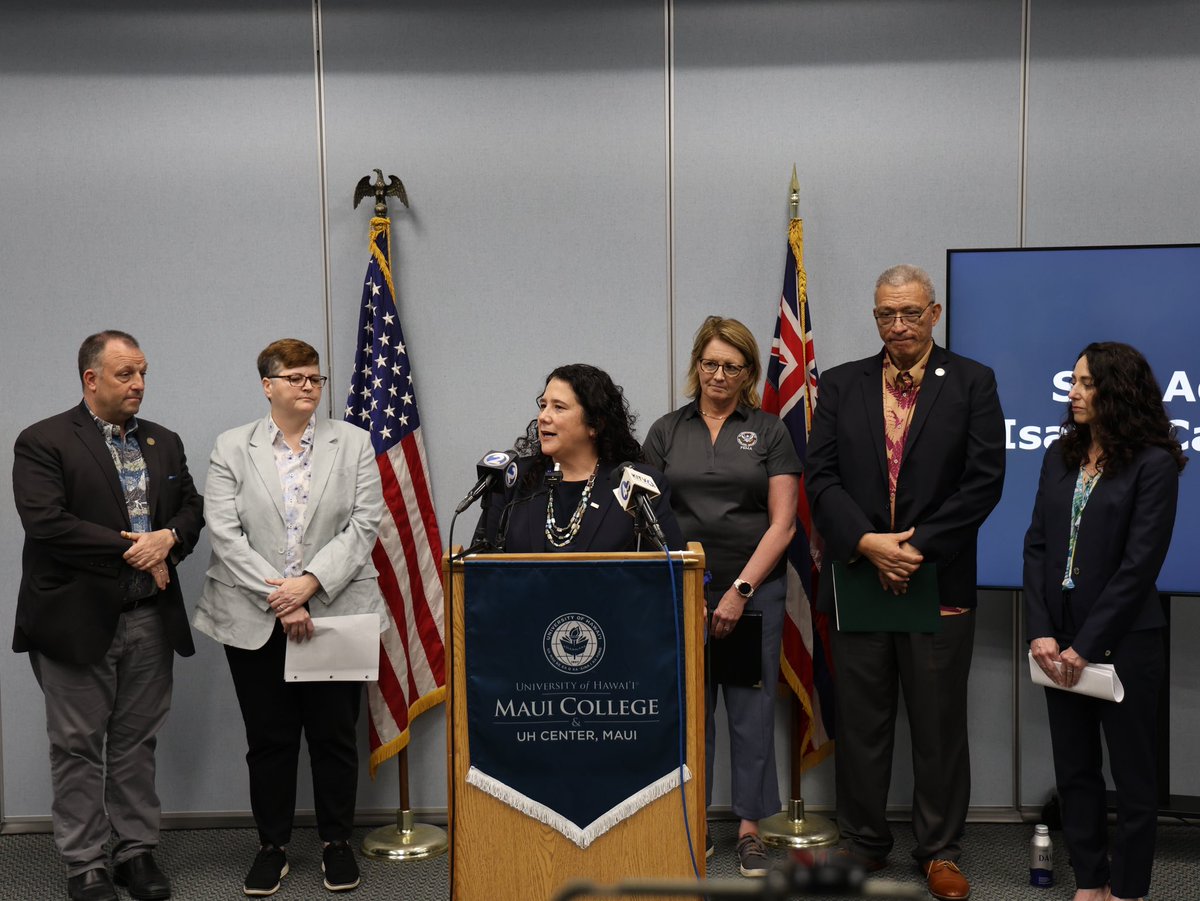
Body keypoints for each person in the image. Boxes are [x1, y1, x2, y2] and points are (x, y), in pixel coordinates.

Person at [805, 264, 1005, 901]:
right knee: (862, 722)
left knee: (939, 724)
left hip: (937, 578)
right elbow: (821, 477)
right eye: (887, 315)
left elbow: (984, 482)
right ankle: (864, 843)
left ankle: (940, 849)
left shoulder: (973, 382)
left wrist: (914, 549)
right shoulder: (839, 385)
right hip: (860, 574)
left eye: (911, 313)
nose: (899, 326)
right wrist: (866, 542)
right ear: (875, 318)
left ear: (934, 314)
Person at [12, 330, 204, 901]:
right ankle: (84, 863)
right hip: (75, 621)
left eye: (143, 372)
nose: (140, 384)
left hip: (149, 619)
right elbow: (47, 523)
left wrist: (168, 538)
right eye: (126, 374)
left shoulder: (163, 441)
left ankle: (135, 854)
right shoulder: (43, 441)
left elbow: (191, 508)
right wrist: (136, 548)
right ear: (90, 379)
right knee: (75, 745)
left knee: (135, 743)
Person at [192, 339, 387, 896]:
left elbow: (364, 524)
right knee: (270, 737)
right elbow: (225, 533)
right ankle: (272, 847)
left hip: (334, 608)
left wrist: (310, 584)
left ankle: (336, 844)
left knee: (333, 736)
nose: (308, 387)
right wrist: (282, 596)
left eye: (315, 378)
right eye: (296, 377)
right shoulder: (233, 447)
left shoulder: (352, 443)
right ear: (268, 385)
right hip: (255, 614)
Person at [1024, 342, 1184, 901]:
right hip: (1057, 642)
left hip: (1124, 644)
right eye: (1074, 381)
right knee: (1075, 774)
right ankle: (1090, 882)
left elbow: (1140, 566)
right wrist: (1041, 632)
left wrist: (1086, 646)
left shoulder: (1155, 464)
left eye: (1087, 383)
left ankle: (1129, 889)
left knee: (1135, 780)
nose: (1073, 392)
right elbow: (1038, 547)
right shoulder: (1059, 455)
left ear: (1118, 391)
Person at [642, 317, 802, 878]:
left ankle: (751, 830)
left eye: (732, 366)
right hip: (681, 593)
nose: (719, 374)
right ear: (696, 364)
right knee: (688, 712)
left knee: (751, 711)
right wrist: (692, 590)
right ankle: (691, 821)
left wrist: (738, 592)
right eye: (710, 363)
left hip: (753, 592)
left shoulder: (770, 431)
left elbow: (783, 525)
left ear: (749, 373)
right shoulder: (666, 431)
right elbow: (648, 519)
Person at [476, 363, 684, 553]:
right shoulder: (513, 480)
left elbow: (673, 570)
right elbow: (478, 565)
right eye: (543, 405)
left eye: (559, 407)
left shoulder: (638, 486)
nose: (543, 417)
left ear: (595, 424)